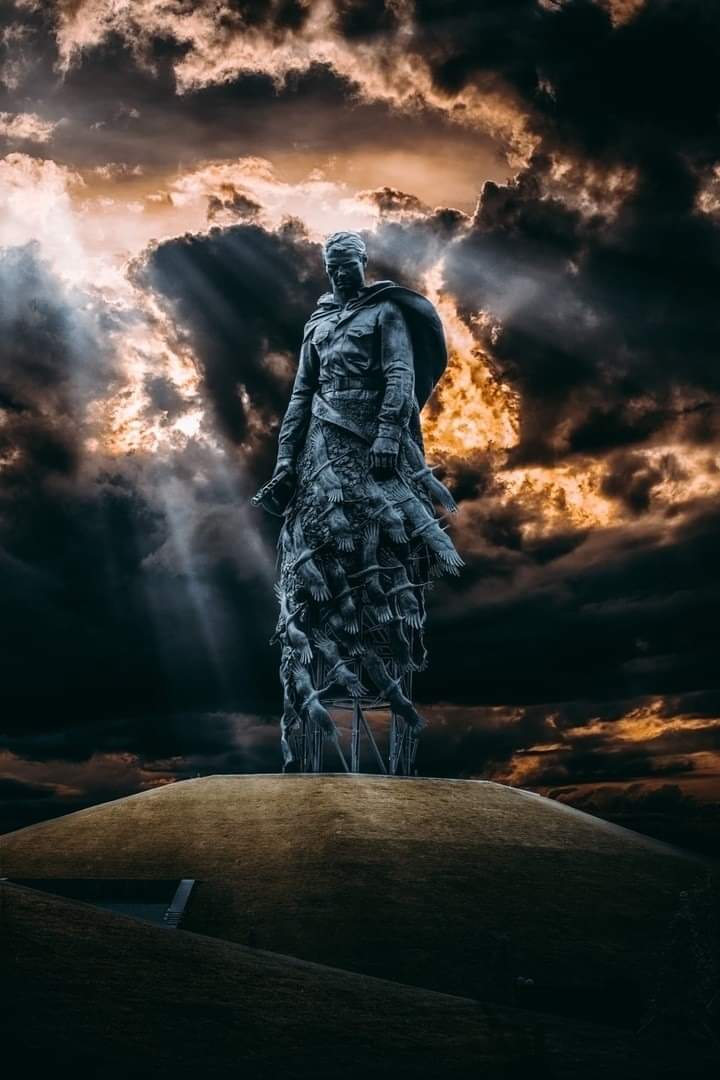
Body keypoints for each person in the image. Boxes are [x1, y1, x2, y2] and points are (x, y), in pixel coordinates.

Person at [253, 230, 462, 767]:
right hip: (320, 443)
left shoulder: (384, 312)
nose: (341, 272)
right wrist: (283, 464)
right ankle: (308, 729)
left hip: (372, 441)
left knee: (386, 550)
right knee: (311, 557)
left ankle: (393, 695)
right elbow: (302, 394)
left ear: (363, 263)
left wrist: (391, 436)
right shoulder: (317, 324)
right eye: (333, 264)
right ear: (326, 267)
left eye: (348, 263)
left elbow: (400, 373)